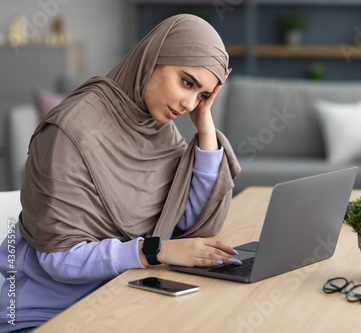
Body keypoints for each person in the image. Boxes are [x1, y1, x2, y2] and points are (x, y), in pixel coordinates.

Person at [0, 14, 241, 332]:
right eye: (187, 82)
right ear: (153, 58)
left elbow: (185, 221)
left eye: (202, 95)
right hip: (46, 315)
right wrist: (153, 251)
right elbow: (56, 257)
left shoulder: (158, 130)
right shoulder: (70, 131)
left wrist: (205, 128)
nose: (189, 103)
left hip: (123, 299)